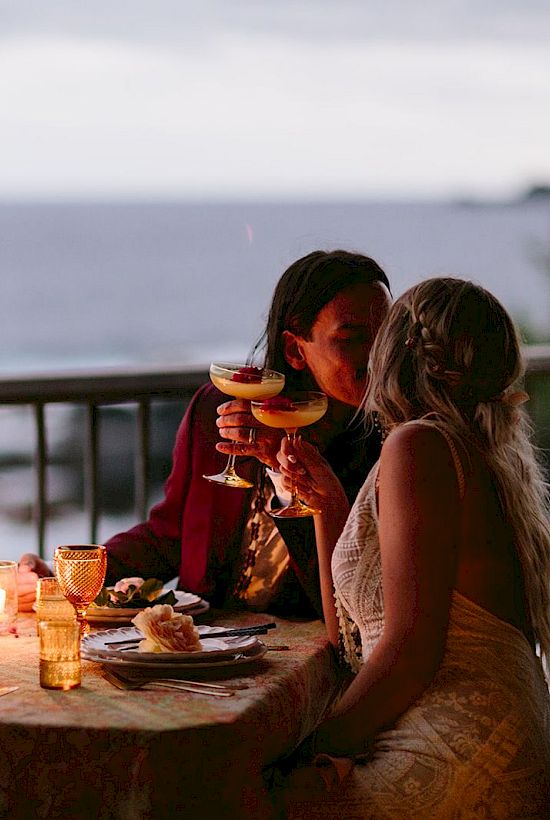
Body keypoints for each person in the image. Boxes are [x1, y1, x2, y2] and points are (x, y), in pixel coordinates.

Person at [274, 277, 550, 817]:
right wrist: (329, 507)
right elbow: (353, 641)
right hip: (483, 733)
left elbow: (409, 653)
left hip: (459, 749)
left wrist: (309, 749)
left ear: (397, 353)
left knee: (250, 792)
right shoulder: (463, 446)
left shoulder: (420, 446)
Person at [18, 249, 392, 618]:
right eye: (353, 338)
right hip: (203, 644)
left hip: (309, 656)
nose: (378, 355)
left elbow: (358, 594)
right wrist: (64, 579)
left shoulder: (390, 444)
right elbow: (169, 537)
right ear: (295, 349)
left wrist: (287, 471)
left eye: (386, 335)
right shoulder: (218, 411)